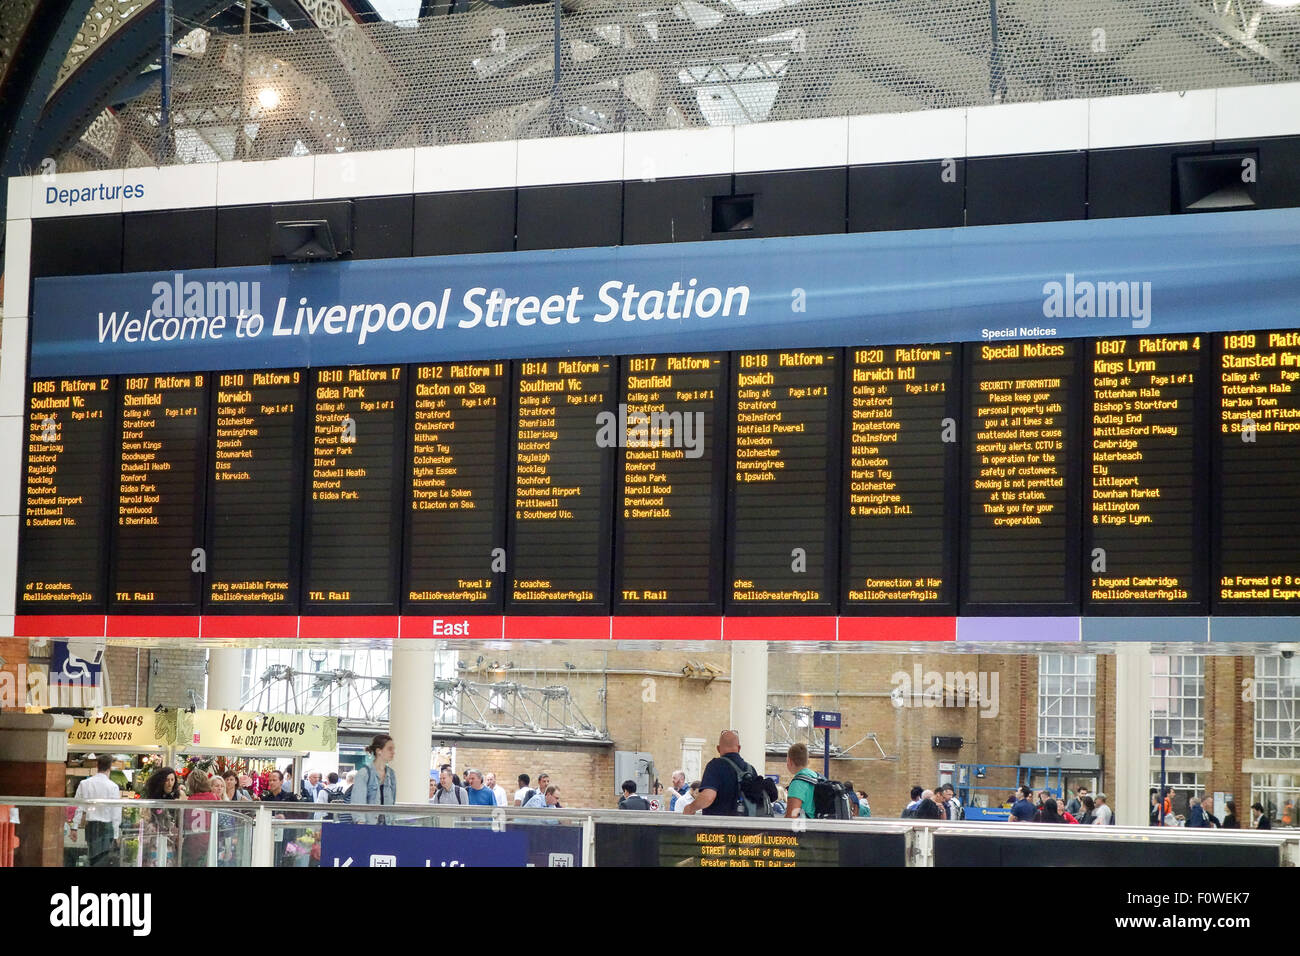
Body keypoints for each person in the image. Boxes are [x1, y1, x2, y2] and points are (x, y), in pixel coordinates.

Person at [682, 730, 766, 817]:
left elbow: (708, 796)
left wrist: (690, 808)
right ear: (739, 748)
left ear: (718, 748)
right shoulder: (751, 770)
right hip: (747, 827)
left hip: (720, 827)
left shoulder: (715, 766)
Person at [70, 754, 122, 867]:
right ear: (110, 768)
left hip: (91, 826)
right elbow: (116, 813)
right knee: (105, 859)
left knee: (92, 858)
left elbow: (77, 807)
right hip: (107, 826)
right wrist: (116, 834)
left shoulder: (85, 784)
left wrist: (74, 827)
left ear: (97, 766)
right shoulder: (113, 787)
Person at [348, 734, 396, 824]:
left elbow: (392, 803)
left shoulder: (391, 774)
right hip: (369, 827)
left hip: (387, 827)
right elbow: (358, 803)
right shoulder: (364, 773)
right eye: (390, 749)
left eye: (393, 749)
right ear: (379, 751)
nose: (393, 752)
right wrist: (361, 824)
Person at [181, 770, 221, 866]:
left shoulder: (189, 801)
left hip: (191, 844)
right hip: (209, 843)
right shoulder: (214, 798)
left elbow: (184, 823)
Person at [784, 742, 818, 819]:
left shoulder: (798, 783)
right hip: (819, 826)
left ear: (789, 761)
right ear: (807, 761)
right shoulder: (816, 777)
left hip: (806, 828)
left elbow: (791, 816)